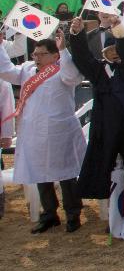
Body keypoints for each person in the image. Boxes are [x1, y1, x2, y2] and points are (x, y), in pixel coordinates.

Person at [66, 14, 124, 232]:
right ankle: (110, 214)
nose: (113, 53)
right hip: (105, 127)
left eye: (117, 50)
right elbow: (82, 57)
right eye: (109, 50)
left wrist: (118, 29)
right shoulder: (99, 72)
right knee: (105, 166)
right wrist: (76, 35)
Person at [0, 31, 85, 233]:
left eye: (41, 54)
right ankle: (49, 214)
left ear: (54, 55)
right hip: (33, 132)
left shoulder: (63, 69)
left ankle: (73, 214)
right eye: (35, 54)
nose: (36, 57)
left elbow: (73, 77)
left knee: (66, 175)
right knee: (40, 173)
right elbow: (5, 70)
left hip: (60, 132)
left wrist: (64, 49)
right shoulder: (28, 69)